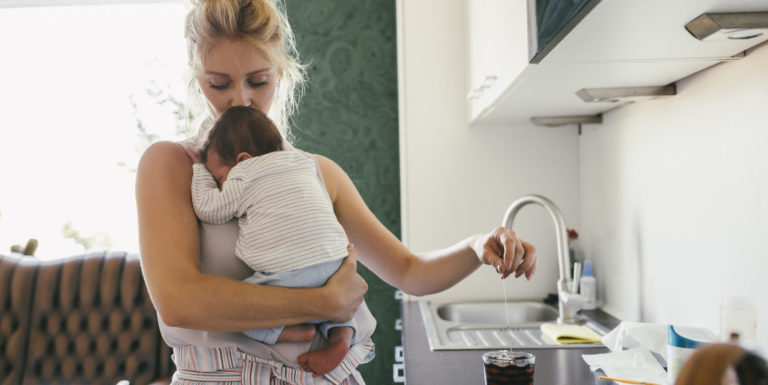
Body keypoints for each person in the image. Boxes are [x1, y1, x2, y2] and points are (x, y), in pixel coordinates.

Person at [135, 0, 538, 384]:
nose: (240, 99)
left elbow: (410, 272)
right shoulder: (172, 166)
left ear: (282, 71)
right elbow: (179, 302)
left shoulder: (319, 173)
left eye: (259, 81)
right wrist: (327, 304)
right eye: (218, 83)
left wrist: (475, 246)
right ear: (197, 77)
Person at [191, 105, 362, 376]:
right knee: (346, 308)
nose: (221, 185)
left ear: (242, 159)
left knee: (238, 311)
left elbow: (208, 209)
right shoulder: (304, 163)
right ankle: (341, 338)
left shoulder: (245, 173)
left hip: (289, 271)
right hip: (334, 262)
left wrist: (200, 169)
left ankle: (292, 332)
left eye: (220, 178)